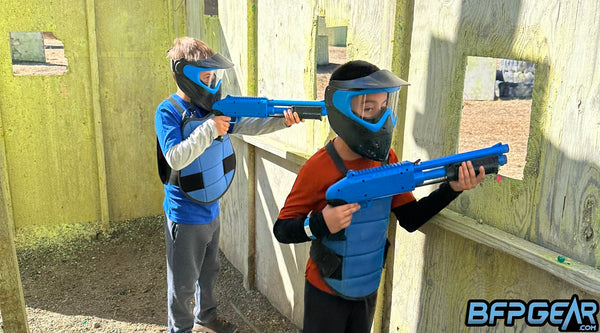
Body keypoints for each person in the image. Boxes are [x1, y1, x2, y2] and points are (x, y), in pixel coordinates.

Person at [273, 60, 486, 333]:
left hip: (366, 288)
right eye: (368, 108)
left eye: (384, 107)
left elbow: (410, 218)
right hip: (325, 289)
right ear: (342, 108)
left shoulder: (386, 160)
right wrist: (320, 223)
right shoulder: (318, 167)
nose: (380, 118)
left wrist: (452, 188)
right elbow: (282, 229)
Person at [155, 37, 302, 333]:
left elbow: (250, 123)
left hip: (211, 208)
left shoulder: (215, 108)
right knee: (182, 283)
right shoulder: (168, 111)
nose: (212, 83)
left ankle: (206, 318)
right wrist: (210, 129)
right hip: (183, 214)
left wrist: (283, 121)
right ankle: (179, 329)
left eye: (214, 76)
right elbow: (175, 157)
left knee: (209, 273)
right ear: (187, 76)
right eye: (206, 77)